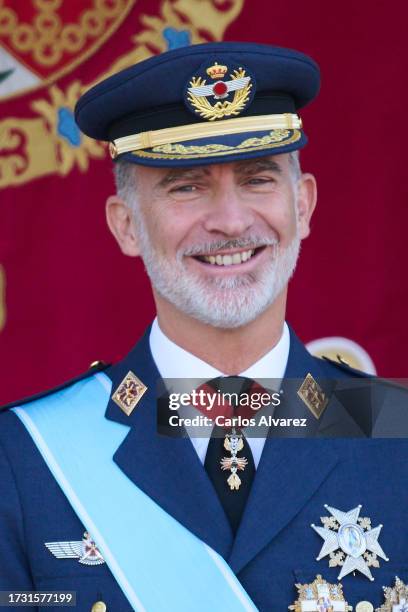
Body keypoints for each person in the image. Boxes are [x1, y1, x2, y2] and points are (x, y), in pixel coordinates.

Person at [0, 41, 407, 612]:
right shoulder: (22, 459)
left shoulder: (397, 430)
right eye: (186, 186)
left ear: (305, 206)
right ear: (126, 226)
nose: (231, 220)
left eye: (258, 178)